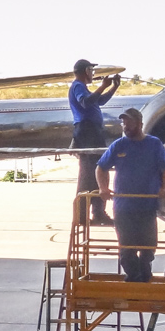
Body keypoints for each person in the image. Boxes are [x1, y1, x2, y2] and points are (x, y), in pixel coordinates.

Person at [97, 108, 165, 282]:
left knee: (148, 247)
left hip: (147, 206)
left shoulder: (154, 144)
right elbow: (101, 167)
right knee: (126, 248)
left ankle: (144, 274)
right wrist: (103, 188)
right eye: (123, 123)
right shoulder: (119, 145)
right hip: (123, 207)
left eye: (129, 122)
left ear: (140, 123)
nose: (125, 126)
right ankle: (134, 276)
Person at [70, 59, 121, 226]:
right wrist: (103, 86)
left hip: (92, 132)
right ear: (86, 70)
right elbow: (86, 102)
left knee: (98, 169)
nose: (93, 74)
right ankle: (84, 214)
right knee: (89, 173)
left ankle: (98, 212)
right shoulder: (78, 86)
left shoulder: (83, 88)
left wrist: (113, 87)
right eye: (92, 70)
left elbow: (99, 101)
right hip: (87, 132)